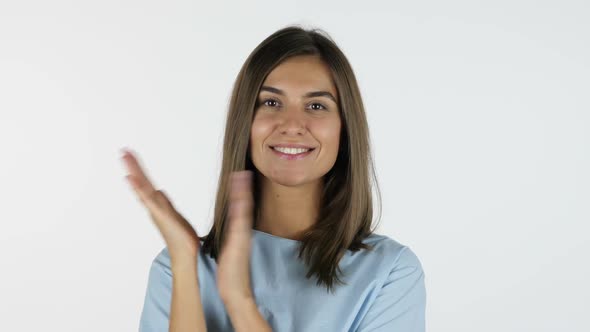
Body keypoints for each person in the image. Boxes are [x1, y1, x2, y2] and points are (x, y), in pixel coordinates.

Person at [122, 25, 426, 332]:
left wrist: (239, 301)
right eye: (271, 102)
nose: (292, 124)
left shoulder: (390, 273)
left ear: (344, 131)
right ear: (246, 123)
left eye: (316, 106)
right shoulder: (177, 269)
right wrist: (186, 266)